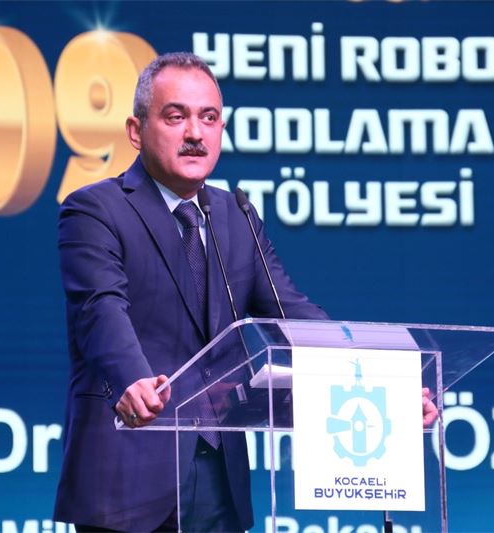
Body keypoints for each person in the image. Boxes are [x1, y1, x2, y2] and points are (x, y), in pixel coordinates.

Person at [53, 52, 329, 533]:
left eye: (209, 117)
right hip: (130, 468)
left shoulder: (236, 215)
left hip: (219, 478)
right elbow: (101, 309)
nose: (195, 133)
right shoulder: (95, 210)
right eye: (175, 116)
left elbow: (291, 314)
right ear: (136, 130)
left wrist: (383, 382)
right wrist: (133, 379)